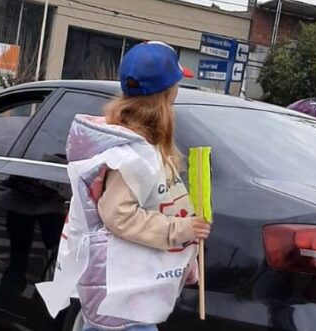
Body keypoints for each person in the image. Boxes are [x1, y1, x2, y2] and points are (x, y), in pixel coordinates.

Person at [37, 42, 212, 331]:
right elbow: (118, 214)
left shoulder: (135, 145)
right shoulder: (130, 153)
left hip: (121, 290)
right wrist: (180, 231)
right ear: (167, 93)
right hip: (122, 295)